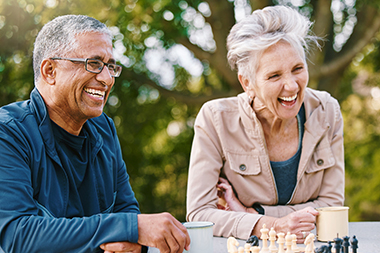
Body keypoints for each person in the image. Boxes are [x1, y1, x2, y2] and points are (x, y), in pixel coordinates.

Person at [0, 15, 190, 253]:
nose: (107, 79)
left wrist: (133, 239)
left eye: (110, 66)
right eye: (94, 64)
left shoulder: (105, 129)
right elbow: (18, 235)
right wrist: (128, 227)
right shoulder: (8, 132)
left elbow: (127, 212)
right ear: (50, 70)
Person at [186, 5, 344, 243]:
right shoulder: (215, 119)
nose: (291, 86)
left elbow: (332, 205)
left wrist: (254, 214)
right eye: (274, 76)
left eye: (298, 69)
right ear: (247, 82)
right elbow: (199, 215)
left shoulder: (327, 111)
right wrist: (270, 225)